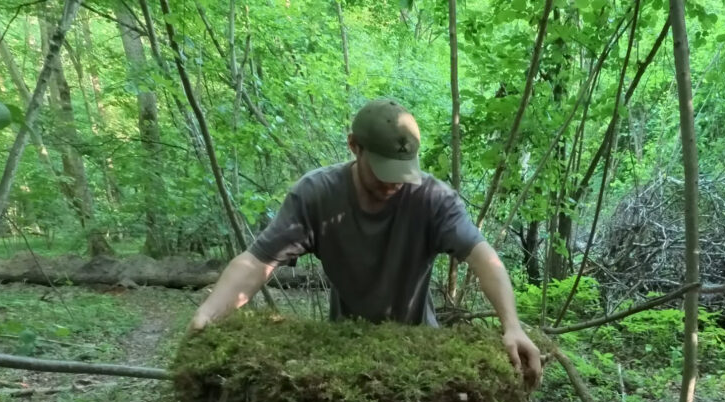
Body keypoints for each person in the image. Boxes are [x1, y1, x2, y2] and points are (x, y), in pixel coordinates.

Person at [188, 98, 543, 386]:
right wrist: (209, 313)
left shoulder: (432, 199)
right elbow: (256, 262)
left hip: (422, 350)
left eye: (403, 171)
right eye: (383, 170)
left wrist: (512, 326)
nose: (395, 183)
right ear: (354, 147)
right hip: (344, 350)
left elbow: (484, 258)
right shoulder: (317, 195)